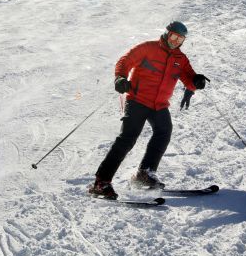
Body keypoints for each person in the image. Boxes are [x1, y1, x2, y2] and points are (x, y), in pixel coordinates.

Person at [88, 21, 210, 199]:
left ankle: (144, 174)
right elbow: (125, 61)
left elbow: (189, 78)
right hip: (138, 100)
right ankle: (101, 182)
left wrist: (196, 82)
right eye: (174, 36)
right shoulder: (148, 48)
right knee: (127, 139)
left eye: (180, 38)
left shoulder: (180, 60)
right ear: (167, 34)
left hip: (159, 105)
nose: (176, 41)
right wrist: (120, 78)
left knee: (164, 132)